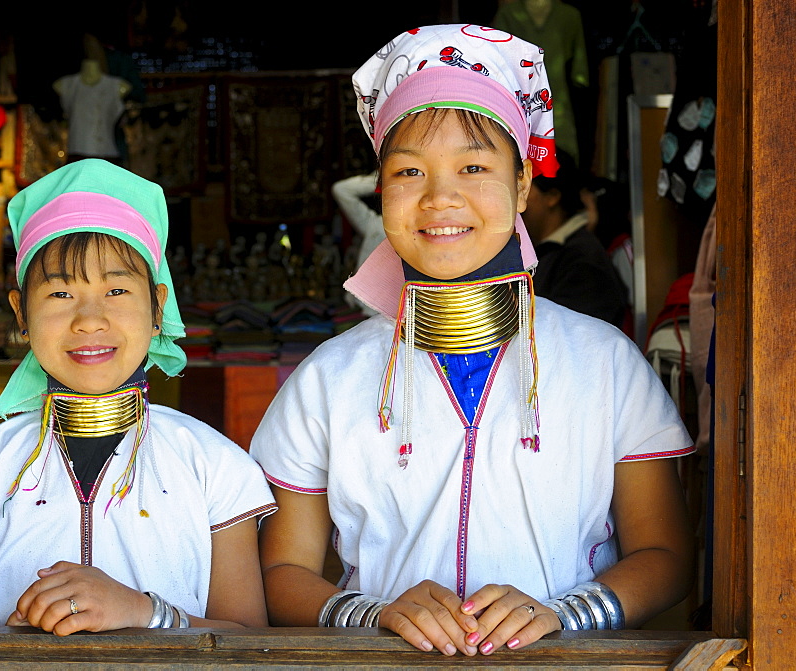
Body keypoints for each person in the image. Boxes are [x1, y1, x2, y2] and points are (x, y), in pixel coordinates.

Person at [250, 24, 694, 658]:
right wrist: (372, 615)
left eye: (474, 167)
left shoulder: (607, 365)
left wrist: (564, 614)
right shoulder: (328, 379)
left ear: (521, 186)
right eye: (408, 171)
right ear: (382, 191)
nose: (440, 197)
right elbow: (280, 573)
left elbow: (666, 554)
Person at [0, 159, 277, 634]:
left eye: (117, 289)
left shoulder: (215, 469)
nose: (89, 320)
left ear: (157, 306)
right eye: (60, 295)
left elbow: (250, 644)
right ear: (21, 311)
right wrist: (11, 641)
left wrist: (143, 612)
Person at [521, 149, 629, 329]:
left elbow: (575, 337)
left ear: (553, 197)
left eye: (525, 186)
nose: (516, 197)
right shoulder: (542, 251)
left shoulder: (582, 261)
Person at [330, 171, 385, 315]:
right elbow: (341, 190)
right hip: (371, 312)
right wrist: (384, 177)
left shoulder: (424, 226)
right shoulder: (376, 225)